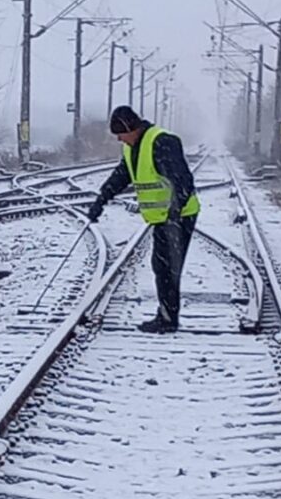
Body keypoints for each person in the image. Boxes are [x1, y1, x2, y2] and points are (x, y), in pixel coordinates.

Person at [86, 106, 200, 333]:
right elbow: (122, 175)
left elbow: (182, 179)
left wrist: (174, 213)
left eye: (120, 134)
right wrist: (101, 199)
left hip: (179, 216)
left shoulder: (162, 142)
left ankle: (168, 320)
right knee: (162, 267)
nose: (119, 139)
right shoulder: (133, 148)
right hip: (163, 218)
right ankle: (167, 316)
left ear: (130, 127)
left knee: (167, 267)